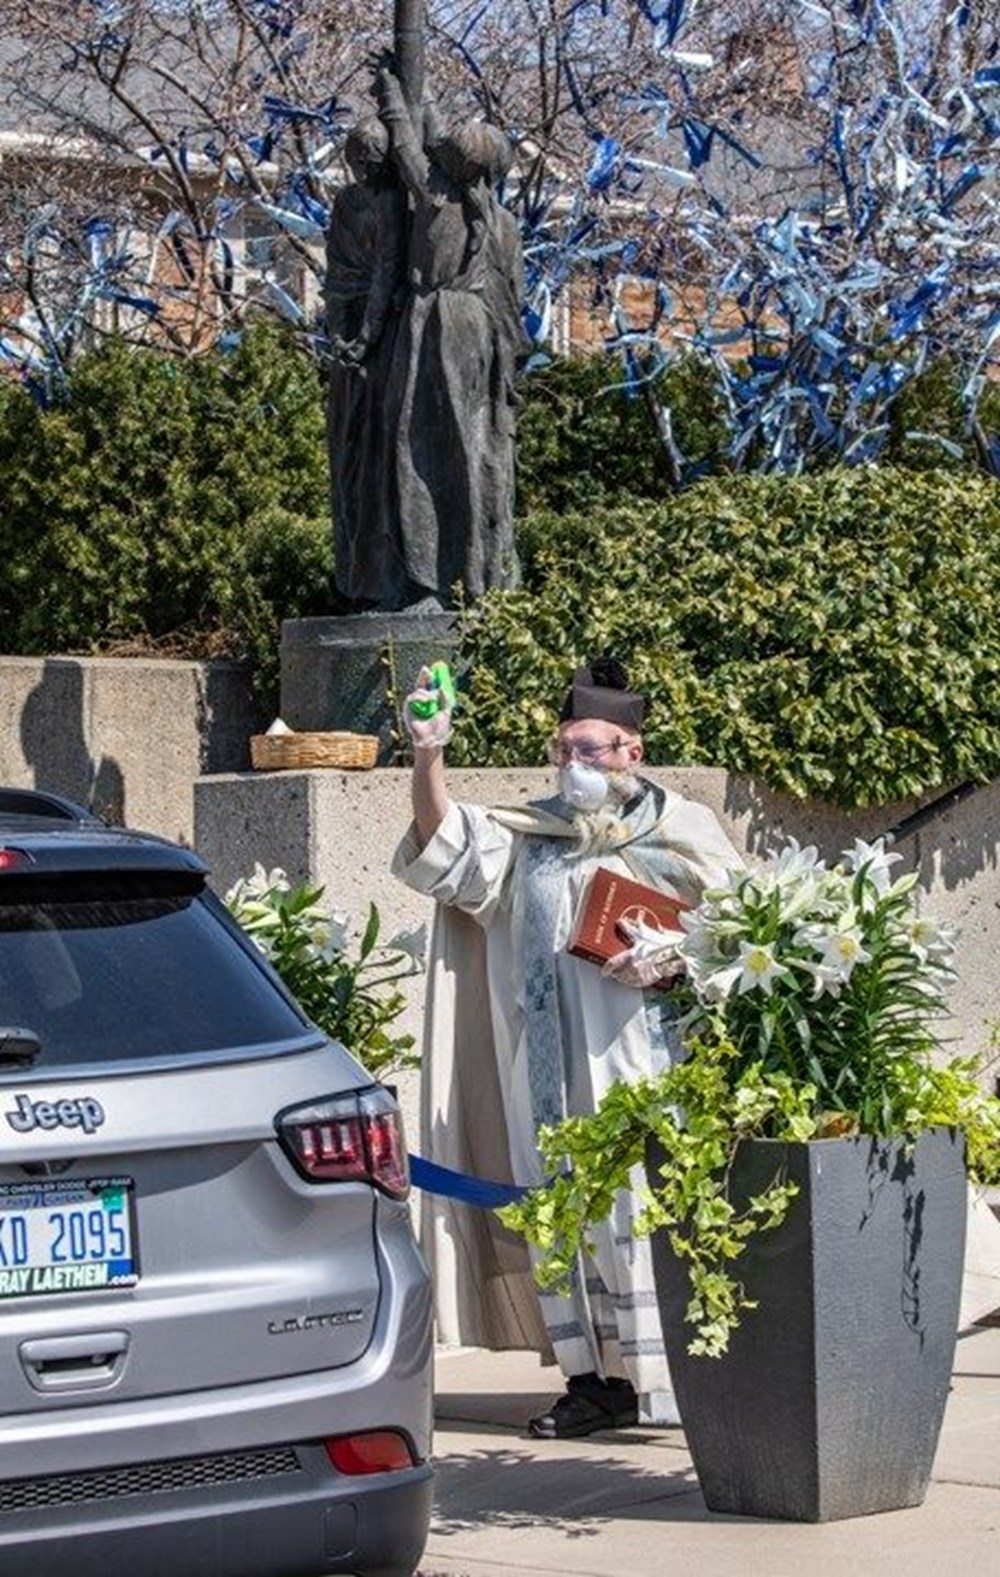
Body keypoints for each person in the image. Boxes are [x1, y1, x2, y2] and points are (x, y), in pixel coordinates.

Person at [392, 656, 743, 1437]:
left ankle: (679, 1378)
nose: (576, 763)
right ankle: (597, 1382)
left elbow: (748, 926)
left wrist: (680, 958)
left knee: (645, 1215)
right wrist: (428, 753)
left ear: (632, 753)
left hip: (647, 1062)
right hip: (545, 1068)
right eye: (565, 749)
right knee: (562, 1210)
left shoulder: (681, 830)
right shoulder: (532, 836)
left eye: (594, 749)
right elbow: (442, 843)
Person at [374, 64, 525, 609]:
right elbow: (432, 139)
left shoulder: (436, 199)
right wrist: (422, 90)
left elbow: (409, 144)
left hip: (437, 329)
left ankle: (431, 583)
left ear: (454, 167)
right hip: (477, 335)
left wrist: (393, 91)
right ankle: (477, 577)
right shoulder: (502, 221)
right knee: (472, 455)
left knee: (417, 456)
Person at [324, 117, 407, 608]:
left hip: (382, 342)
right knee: (349, 457)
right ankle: (354, 575)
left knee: (381, 460)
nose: (364, 169)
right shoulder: (347, 203)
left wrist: (369, 335)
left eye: (372, 160)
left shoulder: (392, 202)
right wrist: (339, 333)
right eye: (358, 160)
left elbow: (388, 270)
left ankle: (383, 577)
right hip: (349, 342)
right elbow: (338, 273)